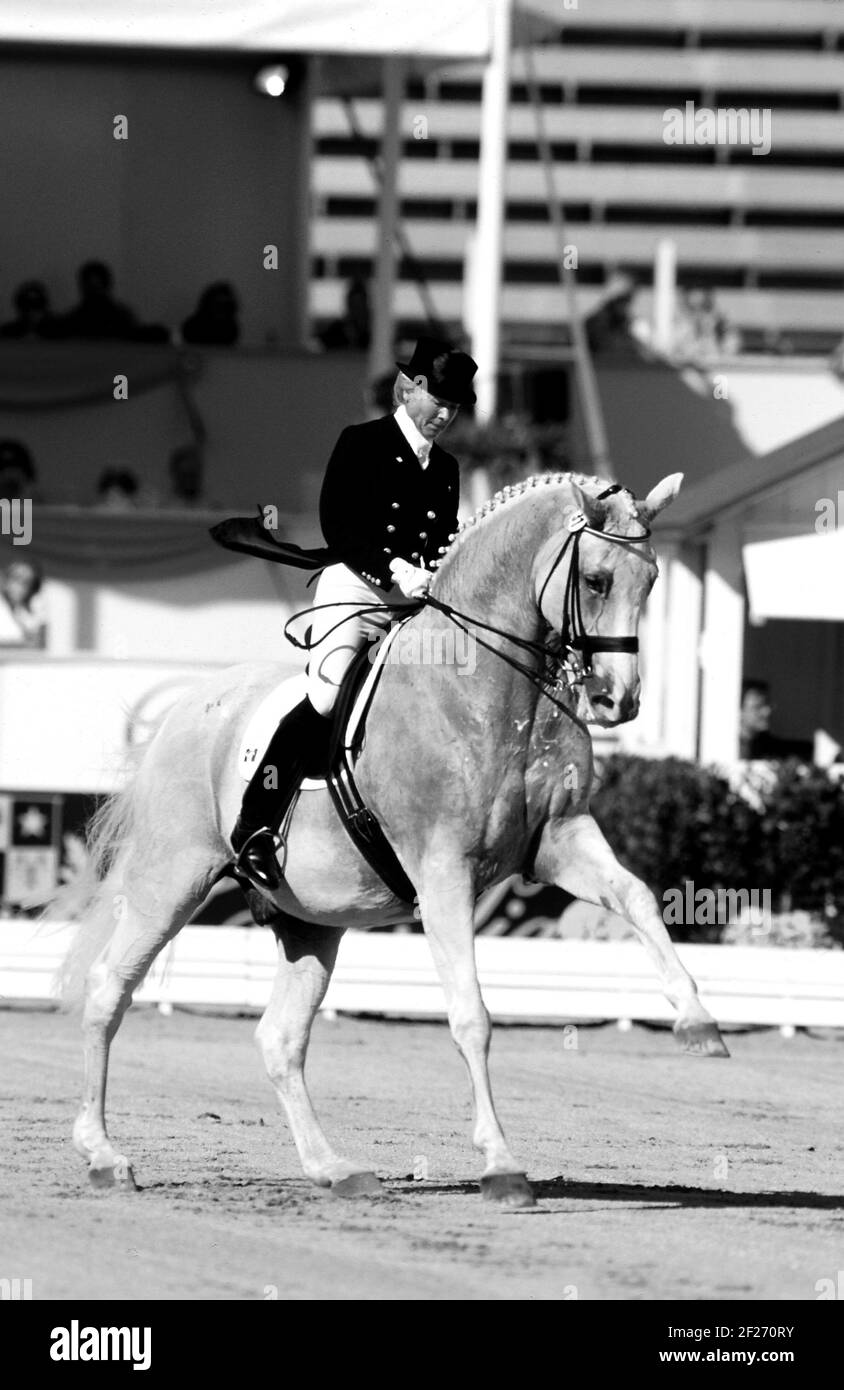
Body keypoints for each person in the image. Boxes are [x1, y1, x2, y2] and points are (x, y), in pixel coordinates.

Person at [229, 336, 478, 891]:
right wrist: (393, 567)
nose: (446, 414)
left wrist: (442, 566)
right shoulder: (361, 443)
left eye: (456, 407)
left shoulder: (447, 468)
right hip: (357, 589)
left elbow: (438, 539)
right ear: (409, 387)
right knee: (325, 695)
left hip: (414, 606)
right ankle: (255, 826)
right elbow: (338, 526)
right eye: (439, 400)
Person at [54, 261, 140, 341]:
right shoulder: (123, 316)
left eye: (96, 288)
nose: (94, 292)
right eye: (91, 287)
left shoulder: (122, 317)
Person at [739, 680, 813, 761]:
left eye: (767, 704)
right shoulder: (726, 746)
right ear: (738, 711)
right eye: (757, 707)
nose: (767, 711)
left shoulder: (768, 745)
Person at [0, 559, 46, 647]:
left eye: (27, 582)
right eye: (16, 578)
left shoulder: (28, 610)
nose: (20, 586)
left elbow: (39, 644)